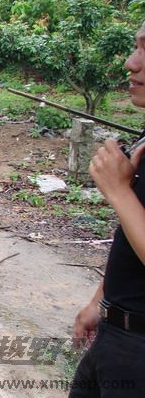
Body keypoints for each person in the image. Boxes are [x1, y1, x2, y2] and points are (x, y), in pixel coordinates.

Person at [70, 21, 145, 397]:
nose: (131, 63)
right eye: (137, 47)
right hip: (117, 331)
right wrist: (101, 301)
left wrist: (118, 191)